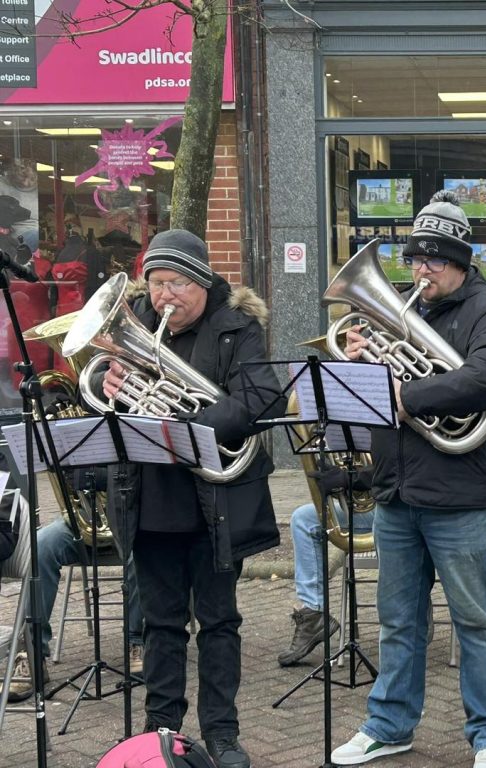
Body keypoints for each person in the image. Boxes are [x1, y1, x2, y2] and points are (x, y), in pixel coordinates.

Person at [331, 191, 486, 768]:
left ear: (460, 261)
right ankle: (389, 725)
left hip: (464, 494)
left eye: (434, 259)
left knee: (476, 622)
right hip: (397, 489)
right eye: (415, 258)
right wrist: (360, 364)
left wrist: (407, 395)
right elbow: (371, 398)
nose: (421, 270)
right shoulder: (396, 311)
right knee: (398, 621)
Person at [100, 229, 284, 768]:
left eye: (177, 282)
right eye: (157, 283)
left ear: (202, 281)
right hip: (150, 498)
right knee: (160, 625)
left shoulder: (237, 327)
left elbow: (262, 397)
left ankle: (222, 734)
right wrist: (113, 390)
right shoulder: (134, 323)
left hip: (216, 500)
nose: (165, 295)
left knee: (219, 621)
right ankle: (161, 731)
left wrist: (188, 425)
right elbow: (111, 408)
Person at [1, 514, 145, 704]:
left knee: (144, 554)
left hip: (131, 523)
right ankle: (33, 653)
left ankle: (135, 640)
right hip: (80, 525)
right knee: (40, 548)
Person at [278, 465, 375, 667]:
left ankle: (415, 600)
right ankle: (313, 613)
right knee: (303, 519)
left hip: (398, 505)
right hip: (371, 506)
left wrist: (350, 478)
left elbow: (394, 467)